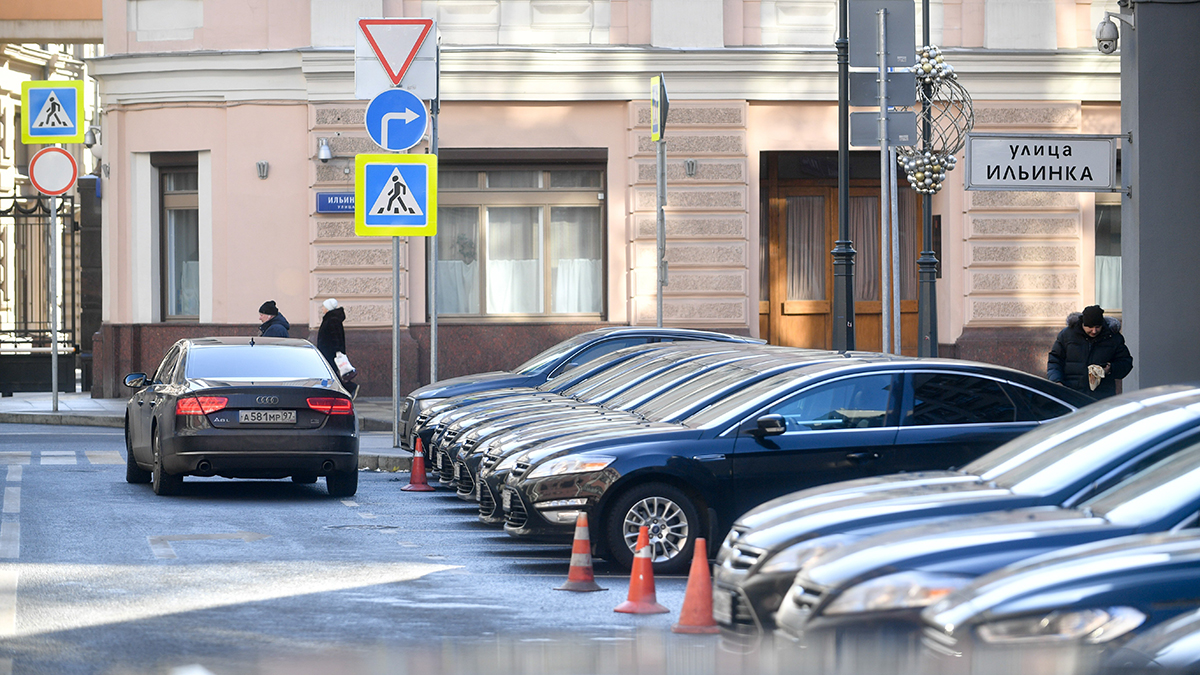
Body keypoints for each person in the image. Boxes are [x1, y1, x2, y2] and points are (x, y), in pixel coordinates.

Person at [1047, 304, 1133, 399]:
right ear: (1083, 324)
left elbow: (1126, 363)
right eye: (1090, 327)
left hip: (1102, 396)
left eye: (1097, 327)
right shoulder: (1067, 335)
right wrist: (1056, 381)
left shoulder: (1113, 337)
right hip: (1071, 393)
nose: (1094, 331)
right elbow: (1055, 360)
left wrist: (1111, 369)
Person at [316, 298, 357, 398]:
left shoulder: (332, 320)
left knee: (332, 373)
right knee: (331, 373)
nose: (322, 308)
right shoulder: (331, 318)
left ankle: (349, 387)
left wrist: (337, 352)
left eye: (324, 306)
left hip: (330, 352)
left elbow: (336, 337)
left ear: (328, 308)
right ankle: (340, 390)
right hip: (328, 351)